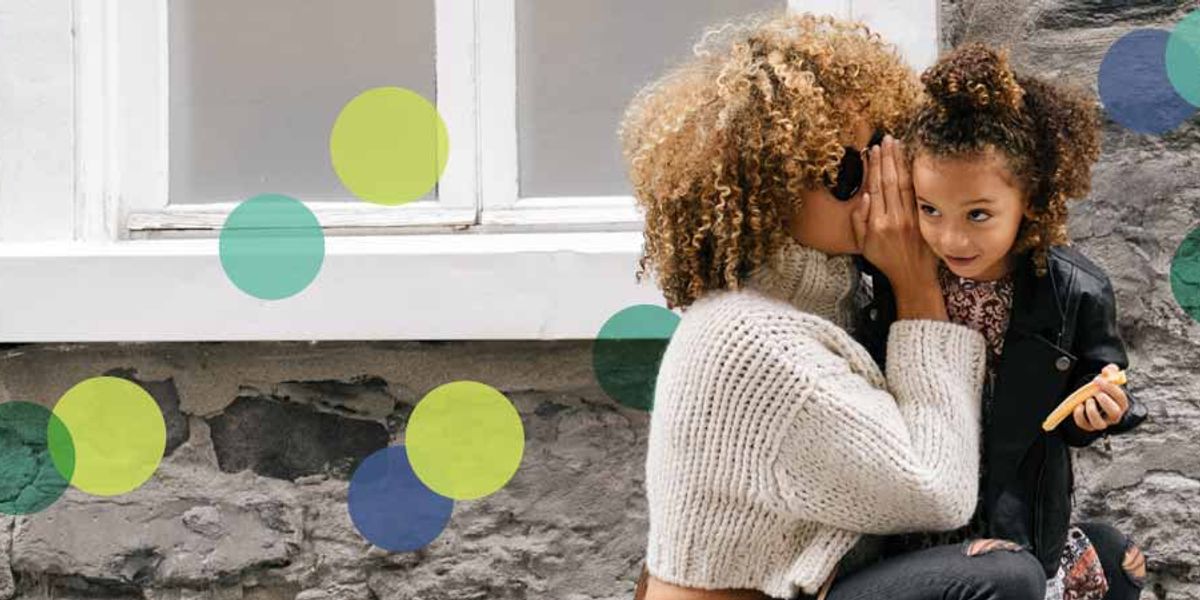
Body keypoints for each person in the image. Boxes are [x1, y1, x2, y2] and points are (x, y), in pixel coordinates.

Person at [620, 12, 1047, 600]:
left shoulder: (827, 306)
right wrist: (918, 287)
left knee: (1094, 557)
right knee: (1002, 581)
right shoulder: (747, 339)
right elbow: (938, 490)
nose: (879, 184)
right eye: (848, 170)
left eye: (884, 152)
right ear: (771, 185)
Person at [856, 43, 1149, 600]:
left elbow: (1101, 378)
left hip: (1018, 510)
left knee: (1114, 563)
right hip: (922, 506)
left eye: (979, 214)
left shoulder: (1075, 290)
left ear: (1031, 200)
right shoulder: (898, 276)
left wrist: (1097, 414)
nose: (951, 238)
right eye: (929, 209)